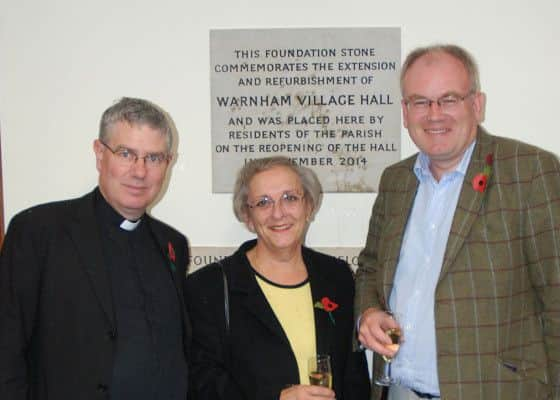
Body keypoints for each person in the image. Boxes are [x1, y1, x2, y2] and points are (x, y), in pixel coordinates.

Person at [355, 44, 560, 400]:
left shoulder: (529, 172)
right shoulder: (395, 181)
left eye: (449, 99)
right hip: (399, 392)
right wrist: (368, 312)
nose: (434, 114)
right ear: (405, 112)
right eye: (420, 102)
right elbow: (370, 267)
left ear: (477, 104)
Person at [0, 97, 191, 400]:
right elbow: (6, 348)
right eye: (126, 153)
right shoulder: (39, 231)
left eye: (154, 158)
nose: (140, 171)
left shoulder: (173, 244)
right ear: (100, 154)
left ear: (168, 163)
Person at [186, 156, 370, 400]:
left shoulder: (337, 276)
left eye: (290, 198)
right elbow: (201, 382)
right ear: (247, 217)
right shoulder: (208, 287)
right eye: (263, 203)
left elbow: (353, 375)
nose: (278, 213)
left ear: (309, 206)